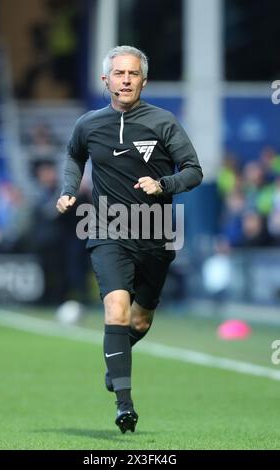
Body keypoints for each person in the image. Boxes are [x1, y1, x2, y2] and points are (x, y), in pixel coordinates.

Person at [56, 45, 203, 433]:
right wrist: (70, 189)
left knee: (139, 320)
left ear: (143, 80)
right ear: (106, 81)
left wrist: (163, 184)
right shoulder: (88, 124)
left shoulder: (163, 122)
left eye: (132, 74)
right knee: (116, 311)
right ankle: (124, 405)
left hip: (156, 233)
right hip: (107, 229)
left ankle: (115, 360)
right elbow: (74, 156)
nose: (125, 80)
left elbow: (194, 171)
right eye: (118, 74)